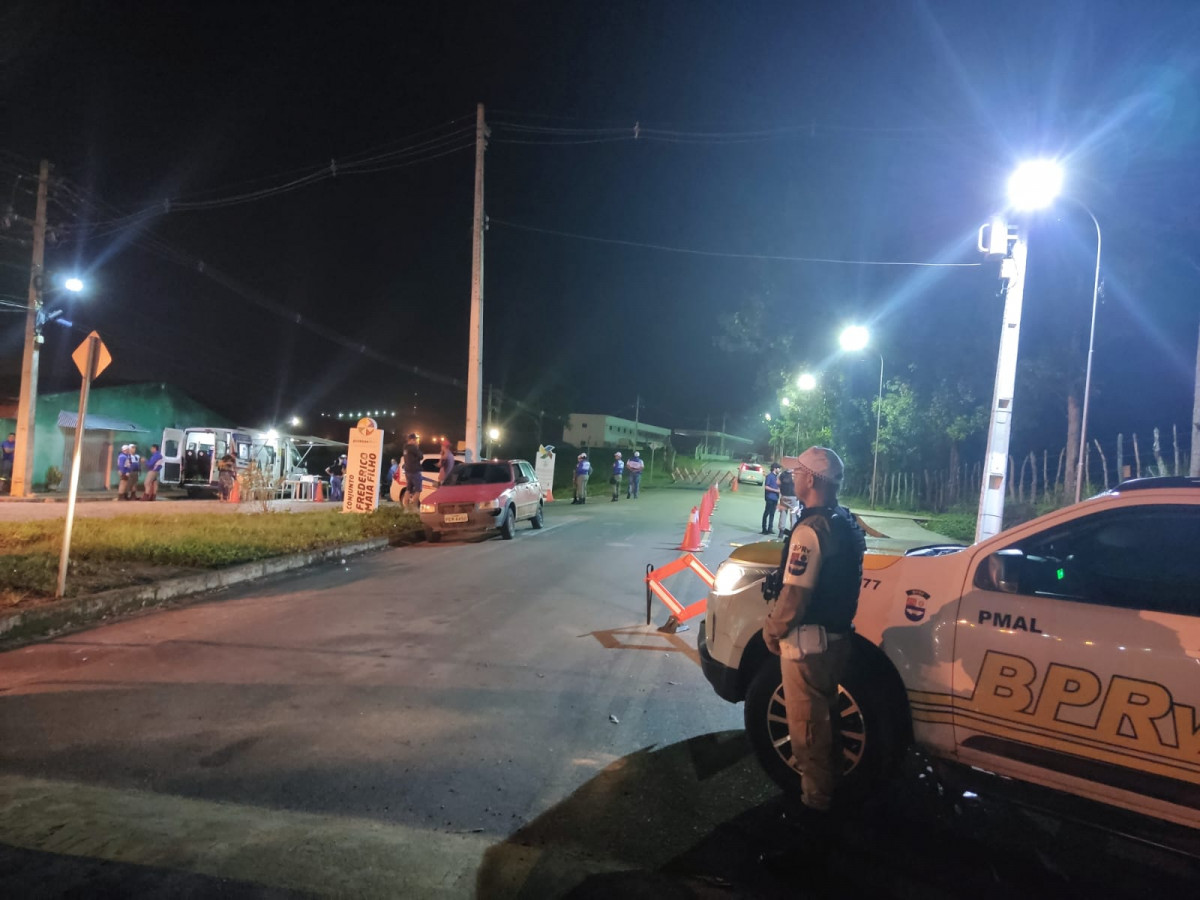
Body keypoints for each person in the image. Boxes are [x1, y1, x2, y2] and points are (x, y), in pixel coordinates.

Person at [761, 447, 866, 822]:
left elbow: (795, 595)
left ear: (810, 479)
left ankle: (815, 814)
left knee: (808, 732)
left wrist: (772, 630)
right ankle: (831, 793)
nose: (792, 477)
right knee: (827, 722)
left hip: (808, 647)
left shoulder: (811, 530)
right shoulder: (844, 521)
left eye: (797, 472)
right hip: (836, 639)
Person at [777, 465, 799, 537]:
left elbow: (778, 483)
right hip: (793, 497)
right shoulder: (795, 475)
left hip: (784, 496)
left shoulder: (782, 474)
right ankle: (792, 531)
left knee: (783, 514)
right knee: (793, 515)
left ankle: (781, 531)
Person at [402, 434, 422, 508]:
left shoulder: (405, 448)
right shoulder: (413, 447)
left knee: (408, 489)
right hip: (415, 471)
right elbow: (421, 456)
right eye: (415, 440)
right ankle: (413, 506)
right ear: (411, 440)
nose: (416, 441)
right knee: (418, 490)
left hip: (408, 471)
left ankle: (406, 507)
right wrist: (417, 447)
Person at [761, 463, 781, 534]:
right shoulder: (769, 476)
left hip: (775, 498)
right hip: (769, 497)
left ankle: (770, 528)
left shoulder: (777, 477)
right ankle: (764, 529)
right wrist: (775, 490)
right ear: (775, 469)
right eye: (778, 468)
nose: (779, 470)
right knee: (767, 513)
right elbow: (766, 487)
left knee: (772, 513)